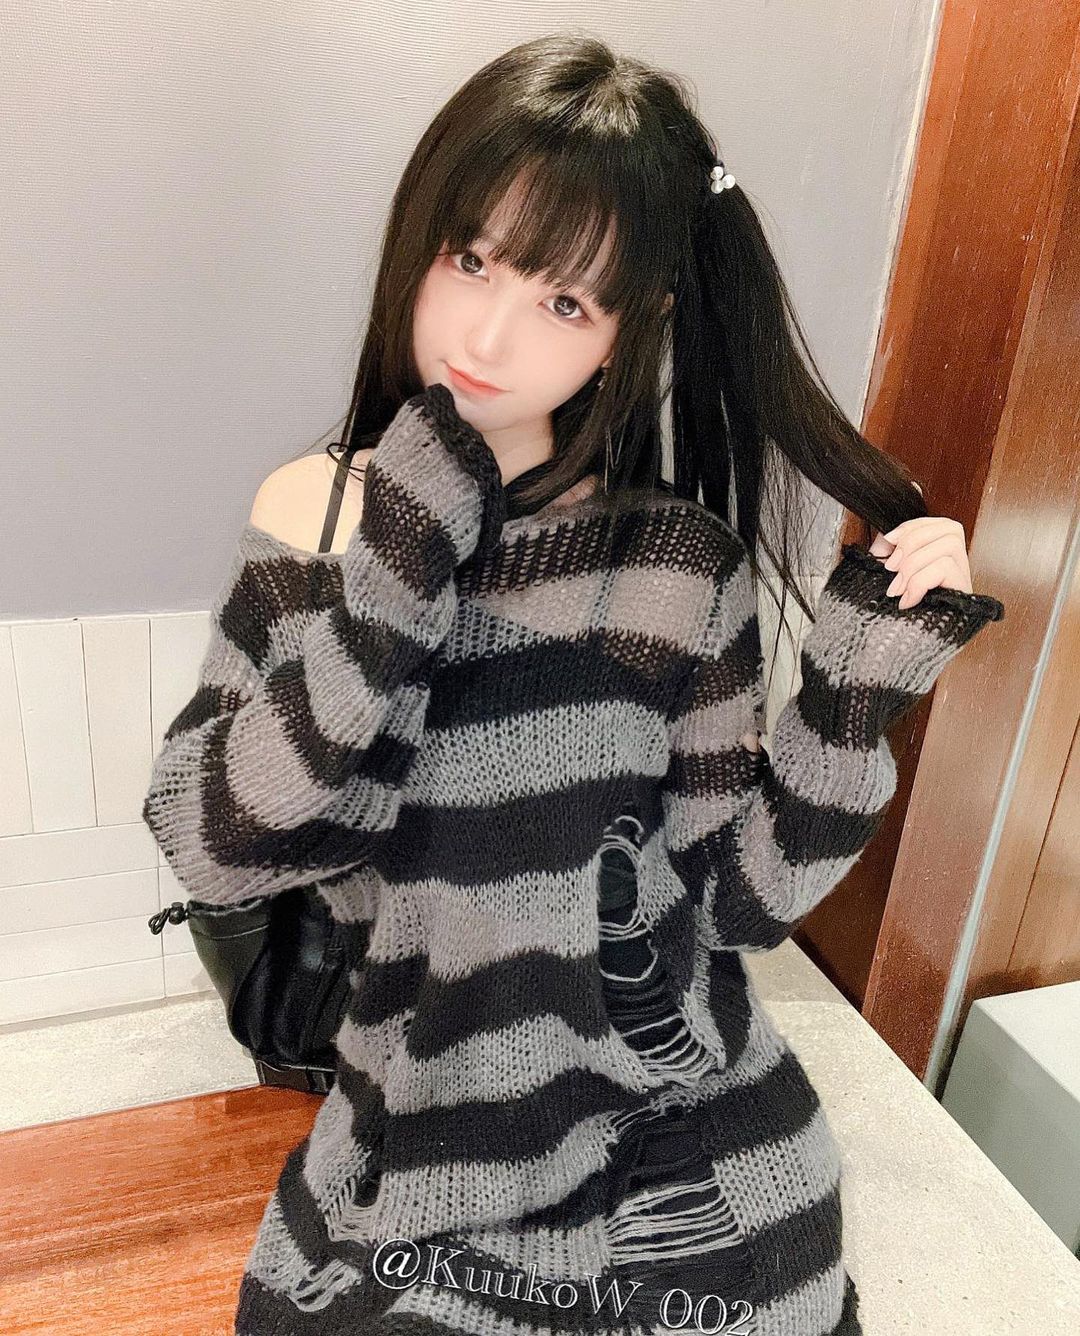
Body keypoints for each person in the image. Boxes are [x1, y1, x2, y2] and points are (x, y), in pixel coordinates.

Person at [142, 34, 1005, 1336]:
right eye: (470, 260)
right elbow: (215, 842)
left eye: (564, 302)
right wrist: (399, 560)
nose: (488, 334)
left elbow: (738, 900)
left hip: (670, 1118)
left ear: (630, 328)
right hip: (423, 1126)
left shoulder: (674, 565)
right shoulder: (318, 515)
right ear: (421, 242)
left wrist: (852, 694)